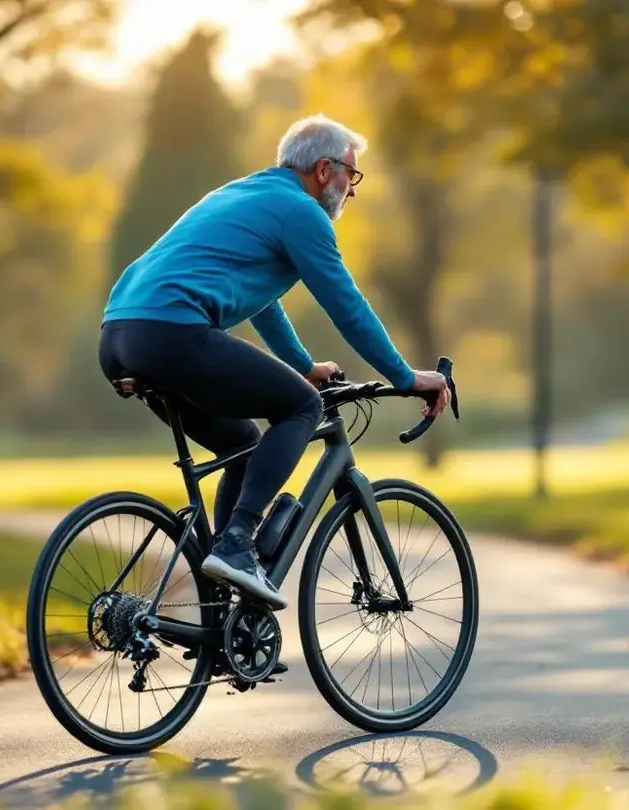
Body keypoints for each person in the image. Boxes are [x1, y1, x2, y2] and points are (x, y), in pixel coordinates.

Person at [98, 114, 450, 611]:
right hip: (172, 331)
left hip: (119, 337)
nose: (353, 191)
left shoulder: (245, 194)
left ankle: (220, 600)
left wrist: (301, 363)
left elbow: (262, 300)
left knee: (242, 442)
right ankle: (237, 544)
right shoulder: (300, 212)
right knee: (303, 408)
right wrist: (406, 377)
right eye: (352, 175)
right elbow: (346, 306)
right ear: (324, 170)